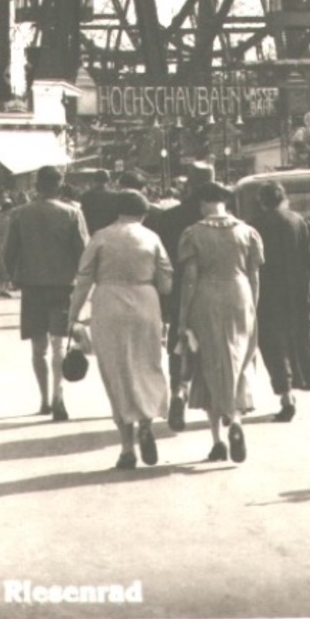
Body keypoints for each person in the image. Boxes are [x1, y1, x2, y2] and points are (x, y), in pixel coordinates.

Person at [68, 190, 174, 470]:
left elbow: (83, 279)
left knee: (116, 374)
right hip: (145, 304)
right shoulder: (151, 238)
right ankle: (147, 421)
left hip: (109, 305)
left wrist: (73, 315)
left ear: (117, 211)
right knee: (147, 366)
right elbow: (166, 283)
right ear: (143, 213)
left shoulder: (101, 237)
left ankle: (127, 448)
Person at [177, 181, 263, 463]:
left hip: (207, 296)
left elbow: (190, 279)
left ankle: (217, 440)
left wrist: (183, 316)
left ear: (203, 204)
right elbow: (254, 276)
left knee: (208, 362)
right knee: (238, 360)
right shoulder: (248, 232)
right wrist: (252, 306)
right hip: (240, 295)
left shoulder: (193, 234)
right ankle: (236, 420)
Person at [4, 166, 88, 420]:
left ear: (36, 186)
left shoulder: (20, 214)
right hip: (63, 286)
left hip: (32, 286)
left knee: (38, 347)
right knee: (59, 343)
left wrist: (14, 277)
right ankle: (57, 395)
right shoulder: (73, 214)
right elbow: (84, 252)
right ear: (60, 185)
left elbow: (8, 252)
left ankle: (43, 400)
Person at [252, 180, 310, 422]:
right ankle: (297, 381)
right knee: (296, 338)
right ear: (283, 198)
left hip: (265, 293)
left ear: (262, 202)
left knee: (273, 345)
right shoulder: (299, 222)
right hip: (295, 292)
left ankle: (285, 395)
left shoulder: (255, 226)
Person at [148, 162, 216, 431]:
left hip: (179, 292)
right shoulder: (224, 218)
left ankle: (179, 390)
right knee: (215, 345)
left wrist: (162, 301)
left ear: (188, 185)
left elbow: (161, 262)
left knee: (180, 344)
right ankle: (218, 401)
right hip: (215, 290)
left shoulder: (168, 217)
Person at [78, 170, 121, 235]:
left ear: (94, 180)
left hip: (91, 229)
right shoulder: (115, 195)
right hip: (109, 230)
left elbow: (83, 213)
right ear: (108, 180)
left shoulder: (86, 195)